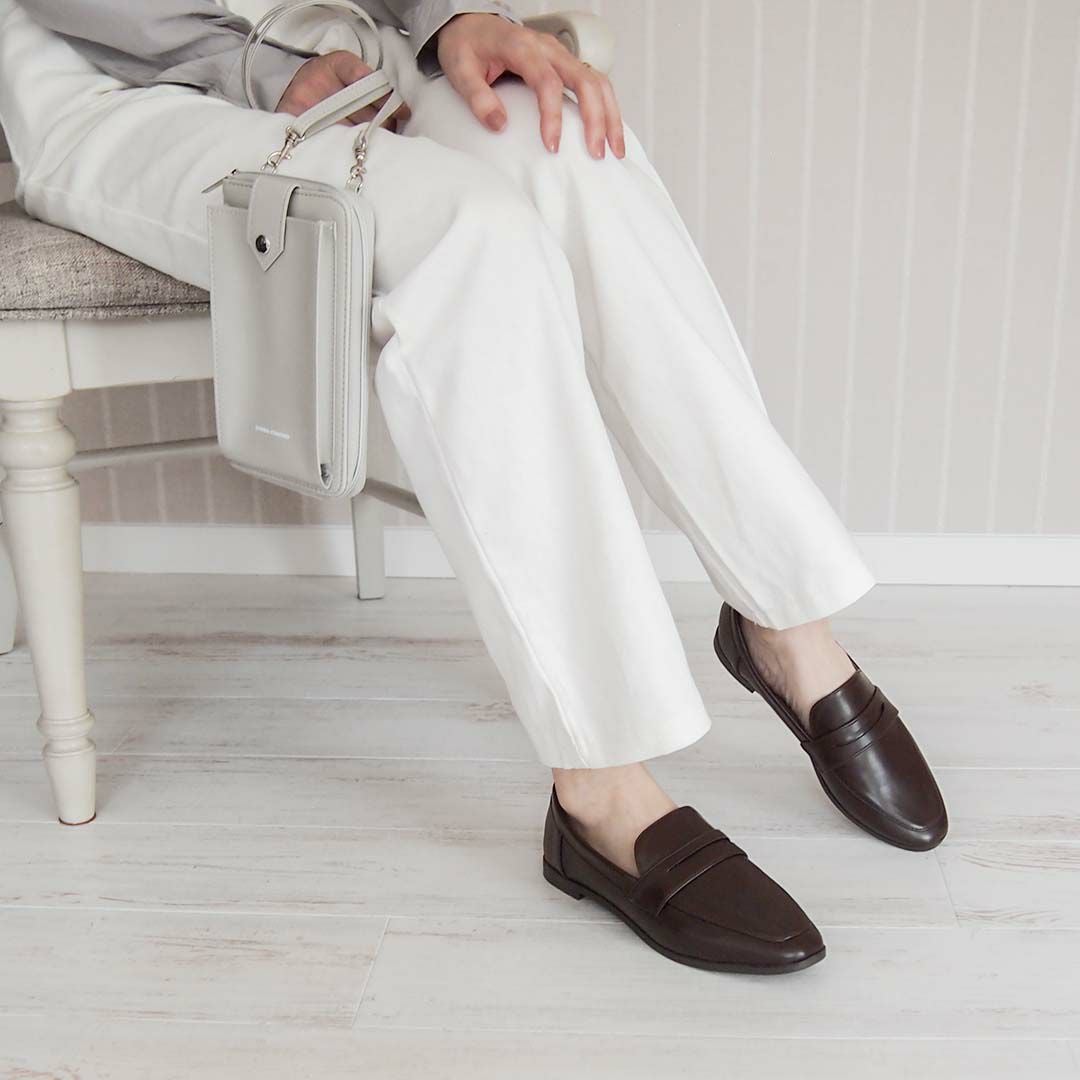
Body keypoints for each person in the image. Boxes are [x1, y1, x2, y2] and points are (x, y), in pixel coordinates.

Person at [0, 0, 947, 974]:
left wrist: (451, 18)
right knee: (472, 234)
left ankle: (784, 621)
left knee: (569, 144)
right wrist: (257, 64)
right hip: (124, 82)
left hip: (341, 42)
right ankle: (600, 785)